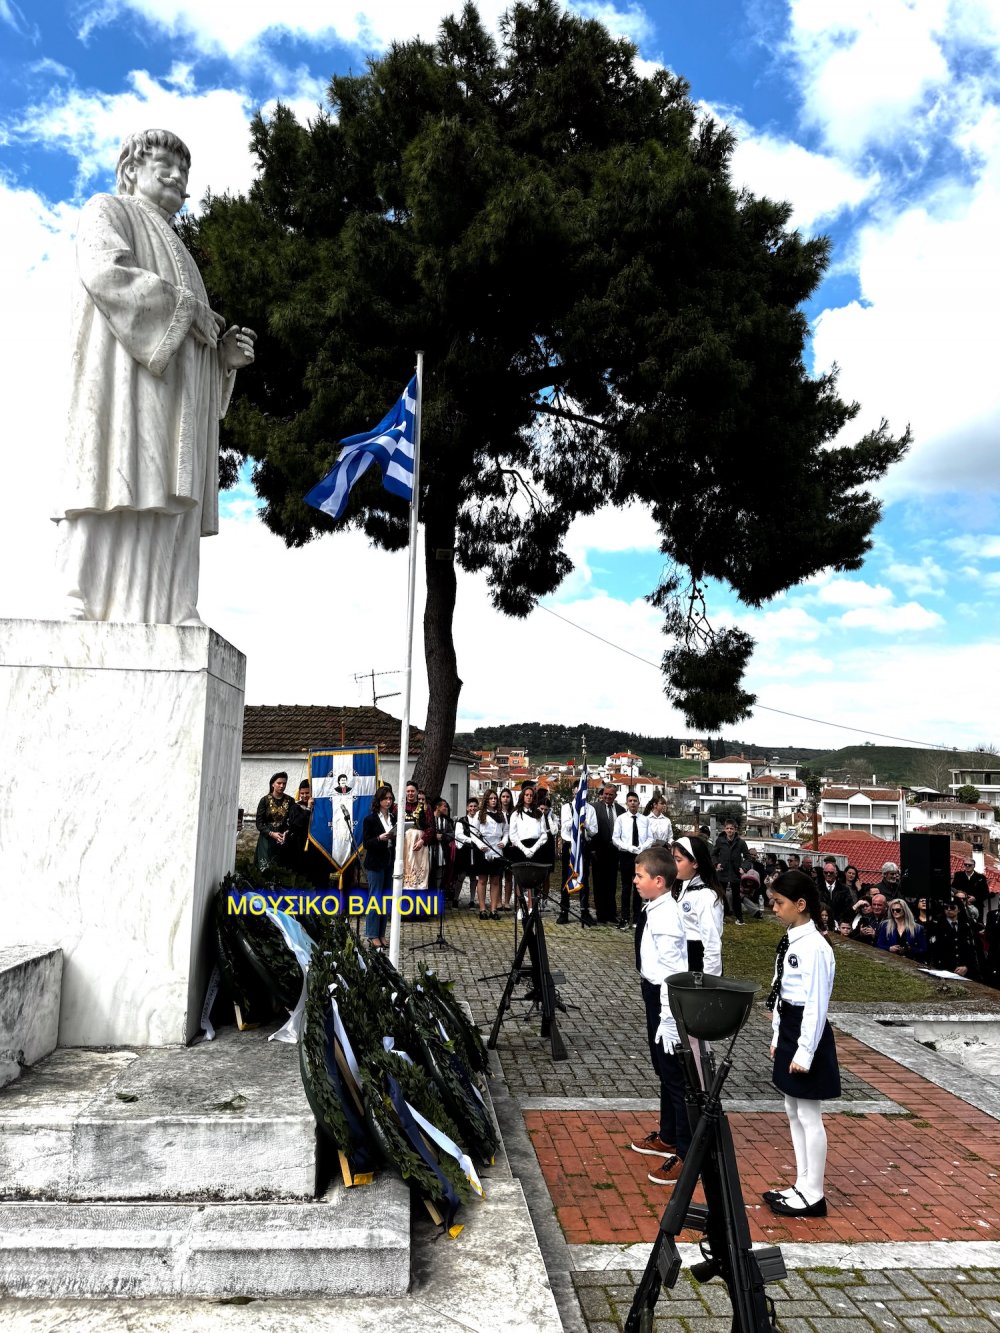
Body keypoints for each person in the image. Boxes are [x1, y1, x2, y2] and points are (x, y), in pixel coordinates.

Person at [55, 128, 256, 625]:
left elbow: (195, 339)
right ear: (131, 171)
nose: (175, 174)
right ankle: (80, 596)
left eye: (183, 170)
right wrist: (187, 312)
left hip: (174, 405)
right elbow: (105, 273)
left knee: (166, 495)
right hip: (121, 387)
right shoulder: (108, 211)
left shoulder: (184, 255)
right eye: (162, 163)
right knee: (111, 479)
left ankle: (170, 605)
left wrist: (222, 360)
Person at [763, 869, 840, 1218]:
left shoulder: (815, 947)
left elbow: (816, 1002)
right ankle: (801, 1182)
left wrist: (805, 1051)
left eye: (779, 903)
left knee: (810, 1114)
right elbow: (781, 993)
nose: (775, 909)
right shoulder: (793, 939)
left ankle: (814, 1193)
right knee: (792, 1109)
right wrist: (779, 1036)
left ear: (801, 904)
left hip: (809, 1031)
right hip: (791, 1025)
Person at [628, 843, 689, 1186]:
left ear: (660, 881)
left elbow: (672, 970)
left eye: (640, 876)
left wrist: (668, 1016)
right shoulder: (655, 907)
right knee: (663, 1069)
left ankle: (683, 1150)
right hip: (653, 992)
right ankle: (667, 1135)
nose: (635, 881)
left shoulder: (665, 916)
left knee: (674, 1073)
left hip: (665, 997)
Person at [670, 835, 724, 975]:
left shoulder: (707, 897)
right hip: (681, 960)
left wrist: (710, 982)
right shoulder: (682, 887)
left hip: (697, 965)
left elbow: (712, 944)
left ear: (695, 863)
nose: (673, 864)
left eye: (678, 860)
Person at [361, 786, 396, 948]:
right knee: (375, 897)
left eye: (390, 798)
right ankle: (371, 934)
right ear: (379, 800)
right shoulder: (370, 819)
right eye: (385, 799)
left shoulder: (394, 818)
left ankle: (381, 933)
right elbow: (366, 843)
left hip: (389, 860)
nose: (388, 801)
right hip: (375, 862)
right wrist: (379, 838)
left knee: (386, 897)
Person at [557, 792, 597, 926]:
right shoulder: (567, 807)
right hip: (570, 845)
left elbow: (594, 831)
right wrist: (577, 819)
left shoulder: (590, 809)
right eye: (576, 790)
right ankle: (564, 911)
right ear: (573, 792)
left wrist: (585, 824)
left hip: (583, 845)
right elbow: (565, 826)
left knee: (584, 877)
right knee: (566, 877)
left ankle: (584, 911)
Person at [507, 784, 549, 912]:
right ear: (522, 796)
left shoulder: (539, 813)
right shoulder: (516, 814)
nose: (529, 797)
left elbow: (544, 834)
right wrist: (524, 849)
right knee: (519, 879)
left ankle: (531, 906)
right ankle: (520, 907)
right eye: (526, 795)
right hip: (520, 847)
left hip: (535, 847)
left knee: (533, 879)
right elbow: (512, 835)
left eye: (531, 795)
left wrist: (533, 849)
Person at [612, 791, 649, 928]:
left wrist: (642, 847)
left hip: (641, 855)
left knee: (639, 886)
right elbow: (615, 838)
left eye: (635, 801)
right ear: (627, 803)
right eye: (630, 801)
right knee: (626, 887)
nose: (633, 803)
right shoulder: (621, 819)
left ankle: (636, 918)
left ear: (639, 803)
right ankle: (625, 918)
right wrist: (628, 847)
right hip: (626, 855)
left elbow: (650, 837)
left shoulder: (645, 820)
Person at [592, 784, 626, 924]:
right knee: (599, 884)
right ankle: (601, 915)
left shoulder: (621, 810)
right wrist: (592, 849)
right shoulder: (594, 808)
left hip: (614, 852)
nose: (607, 796)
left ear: (615, 796)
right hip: (598, 852)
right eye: (605, 794)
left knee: (612, 884)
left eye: (610, 795)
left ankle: (611, 914)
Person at [474, 789, 507, 919]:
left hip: (497, 849)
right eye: (491, 798)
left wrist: (504, 841)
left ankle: (493, 909)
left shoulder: (501, 815)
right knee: (482, 880)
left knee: (495, 880)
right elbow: (474, 833)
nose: (493, 800)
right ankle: (482, 909)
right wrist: (480, 845)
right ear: (486, 800)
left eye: (495, 798)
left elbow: (506, 831)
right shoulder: (479, 814)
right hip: (483, 849)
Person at [927, 899, 980, 978]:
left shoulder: (966, 925)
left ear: (958, 909)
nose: (948, 909)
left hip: (964, 969)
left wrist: (967, 966)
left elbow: (972, 949)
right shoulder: (937, 925)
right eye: (946, 907)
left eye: (952, 907)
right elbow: (934, 949)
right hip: (943, 969)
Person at [255, 772, 294, 873]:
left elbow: (293, 821)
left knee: (281, 870)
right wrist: (271, 833)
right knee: (265, 869)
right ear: (273, 784)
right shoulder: (264, 800)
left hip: (283, 839)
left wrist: (286, 833)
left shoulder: (290, 801)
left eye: (284, 783)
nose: (282, 786)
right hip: (266, 839)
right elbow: (259, 823)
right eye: (279, 783)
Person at [713, 819, 750, 925]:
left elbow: (748, 857)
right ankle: (720, 917)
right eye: (727, 828)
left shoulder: (741, 842)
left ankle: (739, 918)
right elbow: (713, 854)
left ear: (735, 829)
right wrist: (716, 864)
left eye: (731, 828)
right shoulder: (720, 841)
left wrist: (744, 868)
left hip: (735, 872)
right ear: (724, 829)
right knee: (721, 896)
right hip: (722, 872)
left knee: (736, 896)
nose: (729, 830)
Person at [452, 797, 481, 907]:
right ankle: (455, 898)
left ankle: (472, 900)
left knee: (474, 876)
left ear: (477, 808)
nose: (472, 808)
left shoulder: (480, 821)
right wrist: (471, 840)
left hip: (477, 850)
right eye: (470, 806)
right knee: (461, 875)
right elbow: (459, 835)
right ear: (467, 808)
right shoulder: (461, 821)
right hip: (465, 850)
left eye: (474, 806)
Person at [427, 798, 454, 897]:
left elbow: (452, 834)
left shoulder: (445, 821)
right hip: (429, 851)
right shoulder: (428, 820)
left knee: (440, 874)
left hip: (442, 852)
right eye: (444, 806)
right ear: (437, 807)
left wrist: (443, 836)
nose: (446, 808)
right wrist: (434, 837)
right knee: (429, 875)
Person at [498, 788, 516, 910]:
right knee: (498, 875)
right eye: (503, 796)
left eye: (507, 796)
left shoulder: (514, 813)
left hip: (511, 847)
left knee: (509, 875)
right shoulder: (497, 813)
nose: (505, 799)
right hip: (498, 845)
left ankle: (507, 901)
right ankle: (498, 901)